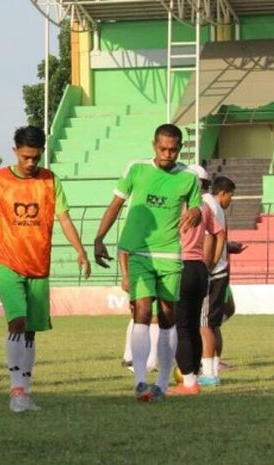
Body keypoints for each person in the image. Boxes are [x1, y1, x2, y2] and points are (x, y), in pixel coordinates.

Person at [0, 126, 90, 413]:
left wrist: (80, 250)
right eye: (26, 157)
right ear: (15, 152)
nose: (31, 163)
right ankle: (15, 389)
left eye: (36, 157)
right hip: (7, 262)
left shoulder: (50, 181)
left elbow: (64, 218)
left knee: (31, 331)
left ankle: (26, 389)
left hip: (39, 266)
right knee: (18, 322)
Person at [94, 123, 201, 402]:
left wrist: (196, 214)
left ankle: (162, 383)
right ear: (154, 145)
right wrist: (99, 238)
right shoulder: (136, 170)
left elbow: (197, 209)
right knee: (141, 310)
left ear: (179, 148)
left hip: (169, 254)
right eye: (163, 148)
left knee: (167, 316)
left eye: (173, 149)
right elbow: (115, 205)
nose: (168, 154)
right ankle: (141, 381)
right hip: (138, 252)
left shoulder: (189, 178)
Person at [168, 165, 222, 396]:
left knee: (180, 326)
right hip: (199, 268)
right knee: (193, 326)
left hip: (180, 266)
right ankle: (195, 376)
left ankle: (188, 382)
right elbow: (219, 234)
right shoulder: (204, 207)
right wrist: (210, 263)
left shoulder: (176, 205)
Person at [199, 176, 243, 386]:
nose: (230, 200)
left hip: (213, 273)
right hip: (220, 272)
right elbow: (219, 238)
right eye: (231, 196)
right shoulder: (214, 206)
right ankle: (214, 366)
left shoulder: (207, 205)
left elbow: (212, 239)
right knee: (213, 323)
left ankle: (209, 373)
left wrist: (207, 267)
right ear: (222, 193)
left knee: (204, 324)